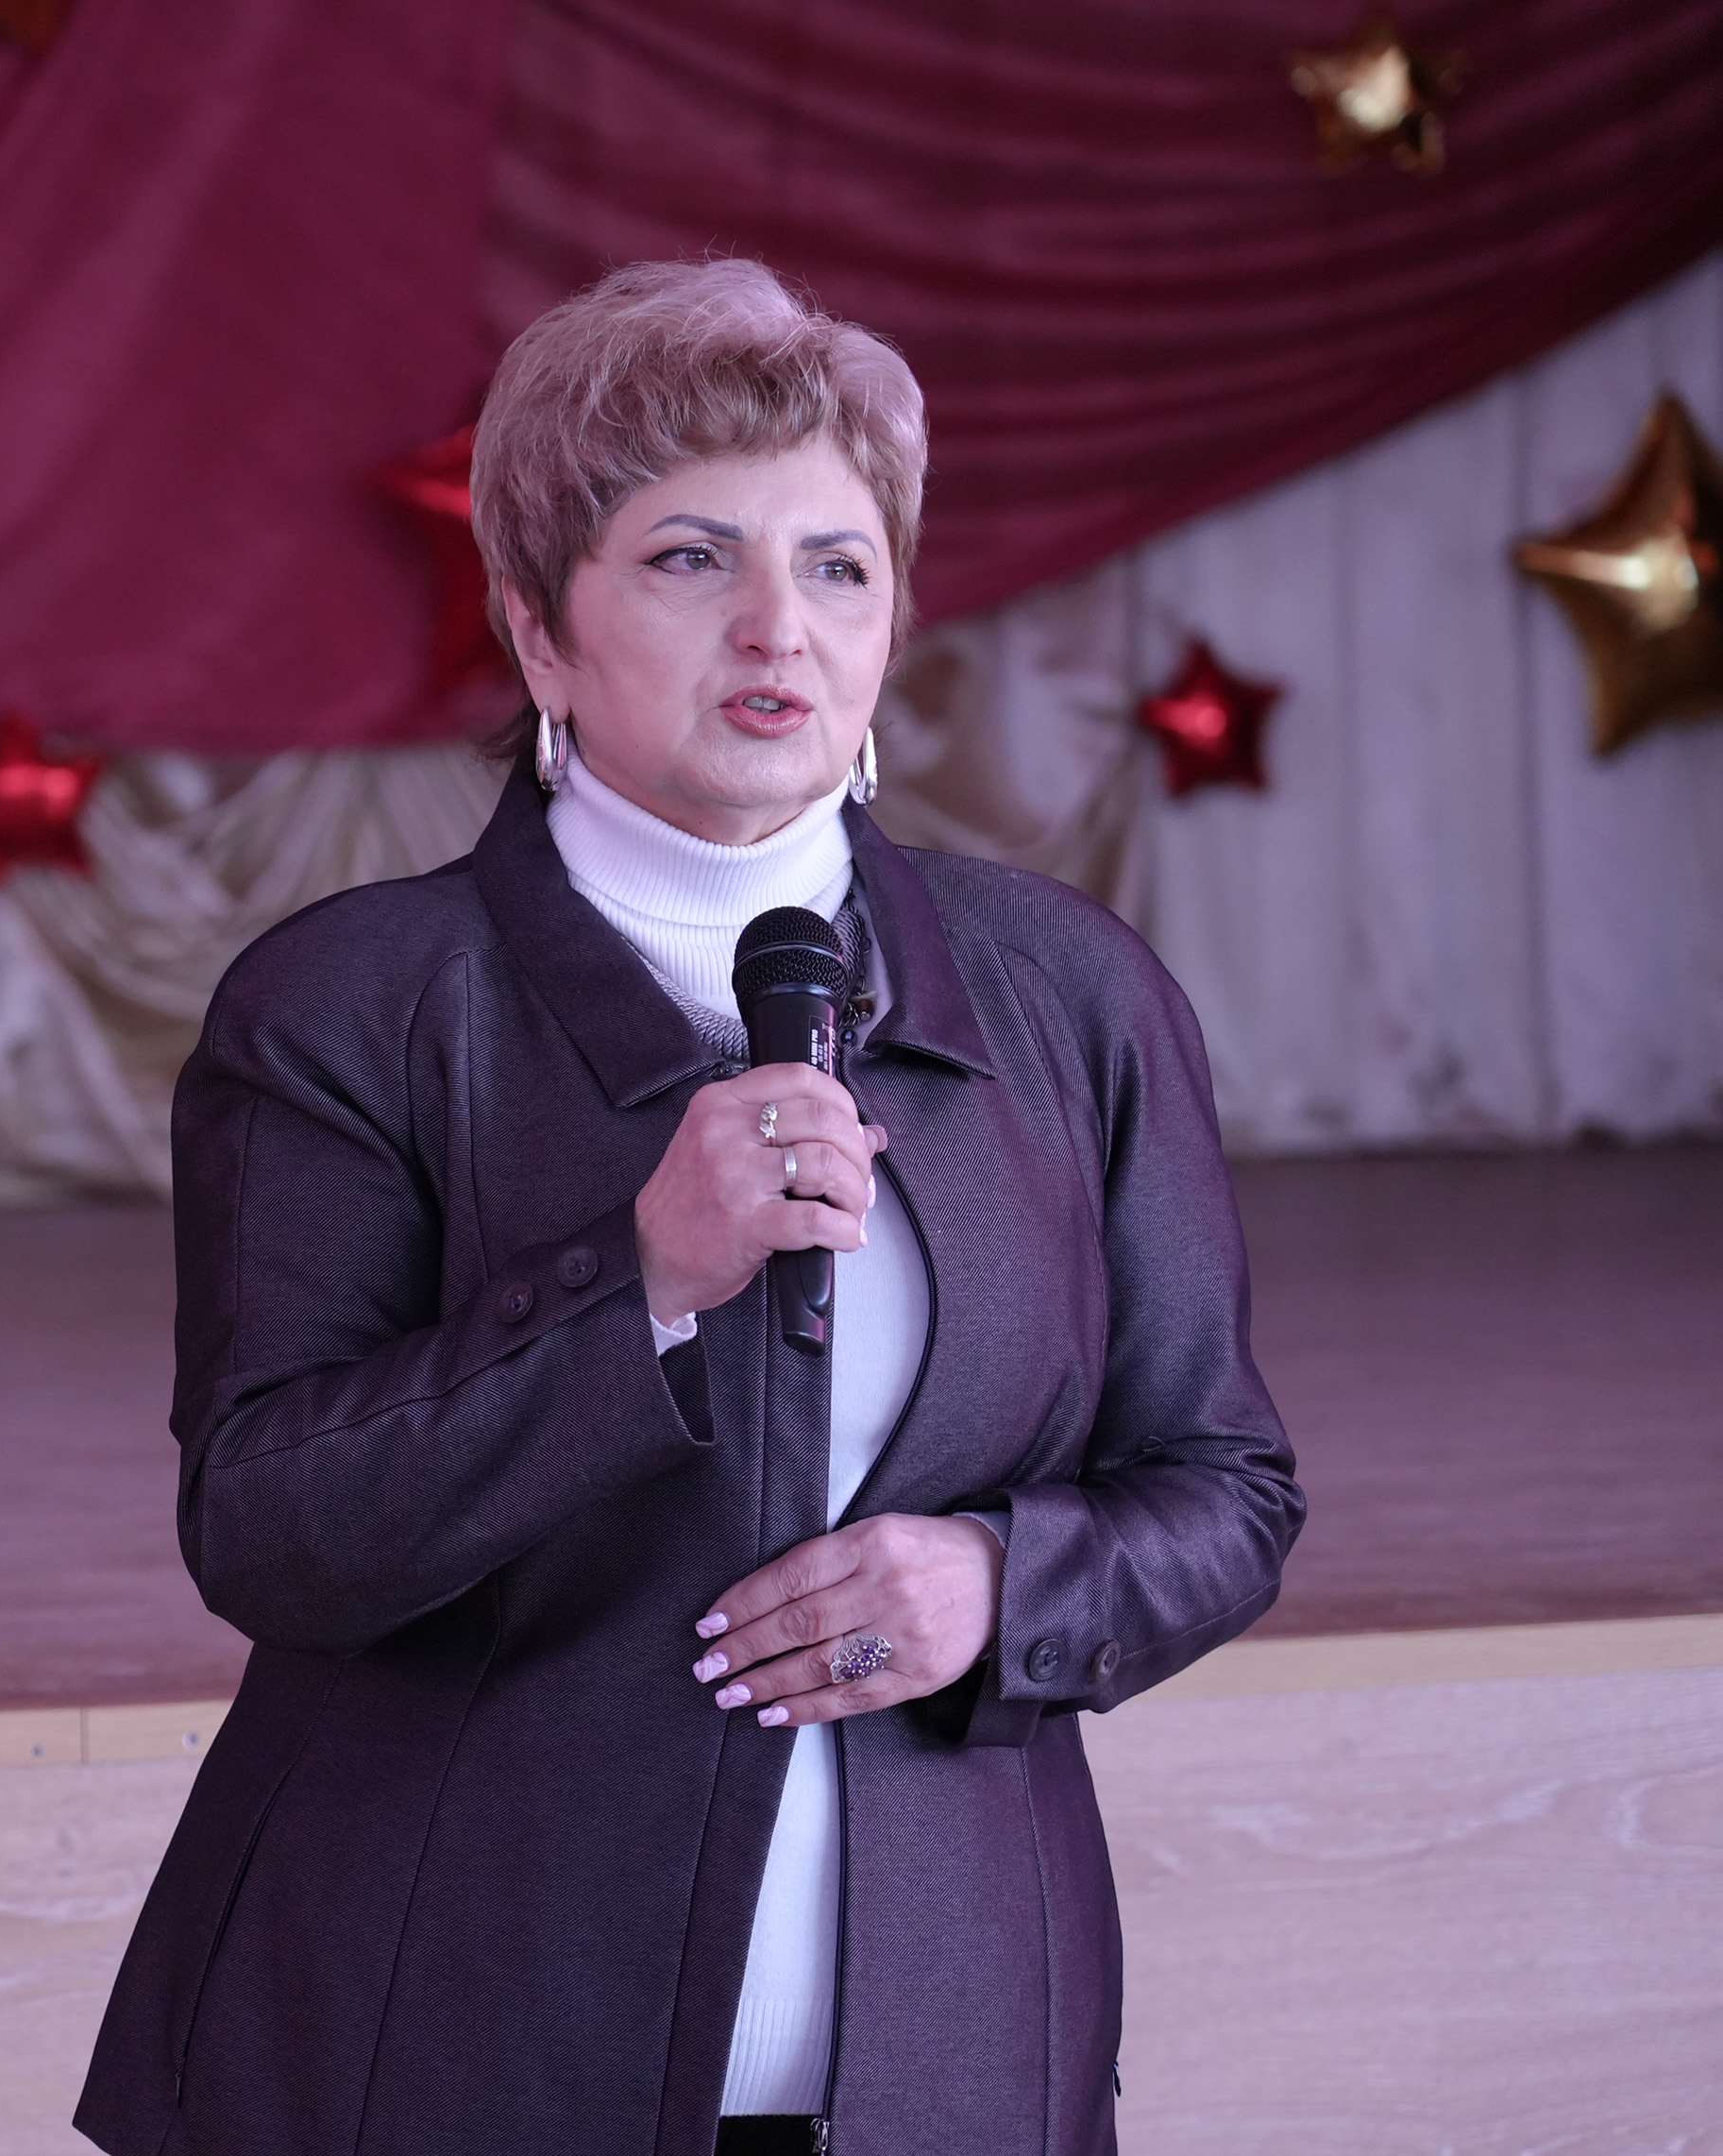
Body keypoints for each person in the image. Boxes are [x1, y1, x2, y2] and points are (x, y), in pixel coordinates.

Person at [74, 260, 1302, 2156]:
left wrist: (1002, 1585)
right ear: (536, 630)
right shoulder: (348, 1006)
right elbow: (270, 1530)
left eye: (837, 566)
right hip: (440, 2051)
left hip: (950, 2062)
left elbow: (1221, 1489)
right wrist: (634, 1279)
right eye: (686, 558)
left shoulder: (1068, 994)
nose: (774, 625)